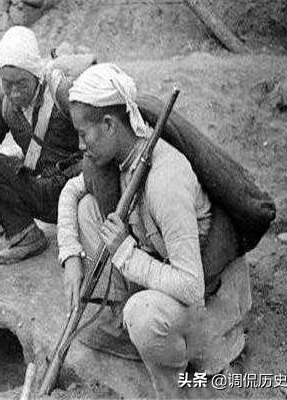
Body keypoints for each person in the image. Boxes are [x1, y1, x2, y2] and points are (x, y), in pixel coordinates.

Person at [58, 64, 250, 398]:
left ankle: (176, 382)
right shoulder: (121, 154)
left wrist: (127, 255)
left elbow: (191, 286)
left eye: (83, 134)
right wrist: (70, 256)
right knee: (88, 209)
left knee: (142, 316)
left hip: (205, 294)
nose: (79, 145)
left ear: (108, 124)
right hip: (163, 270)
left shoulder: (165, 181)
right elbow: (70, 191)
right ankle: (131, 333)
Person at [0, 26, 107, 264]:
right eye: (7, 83)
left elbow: (99, 143)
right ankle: (24, 235)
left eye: (21, 82)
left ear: (36, 74)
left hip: (77, 191)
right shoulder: (2, 100)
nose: (14, 91)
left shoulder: (61, 92)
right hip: (42, 191)